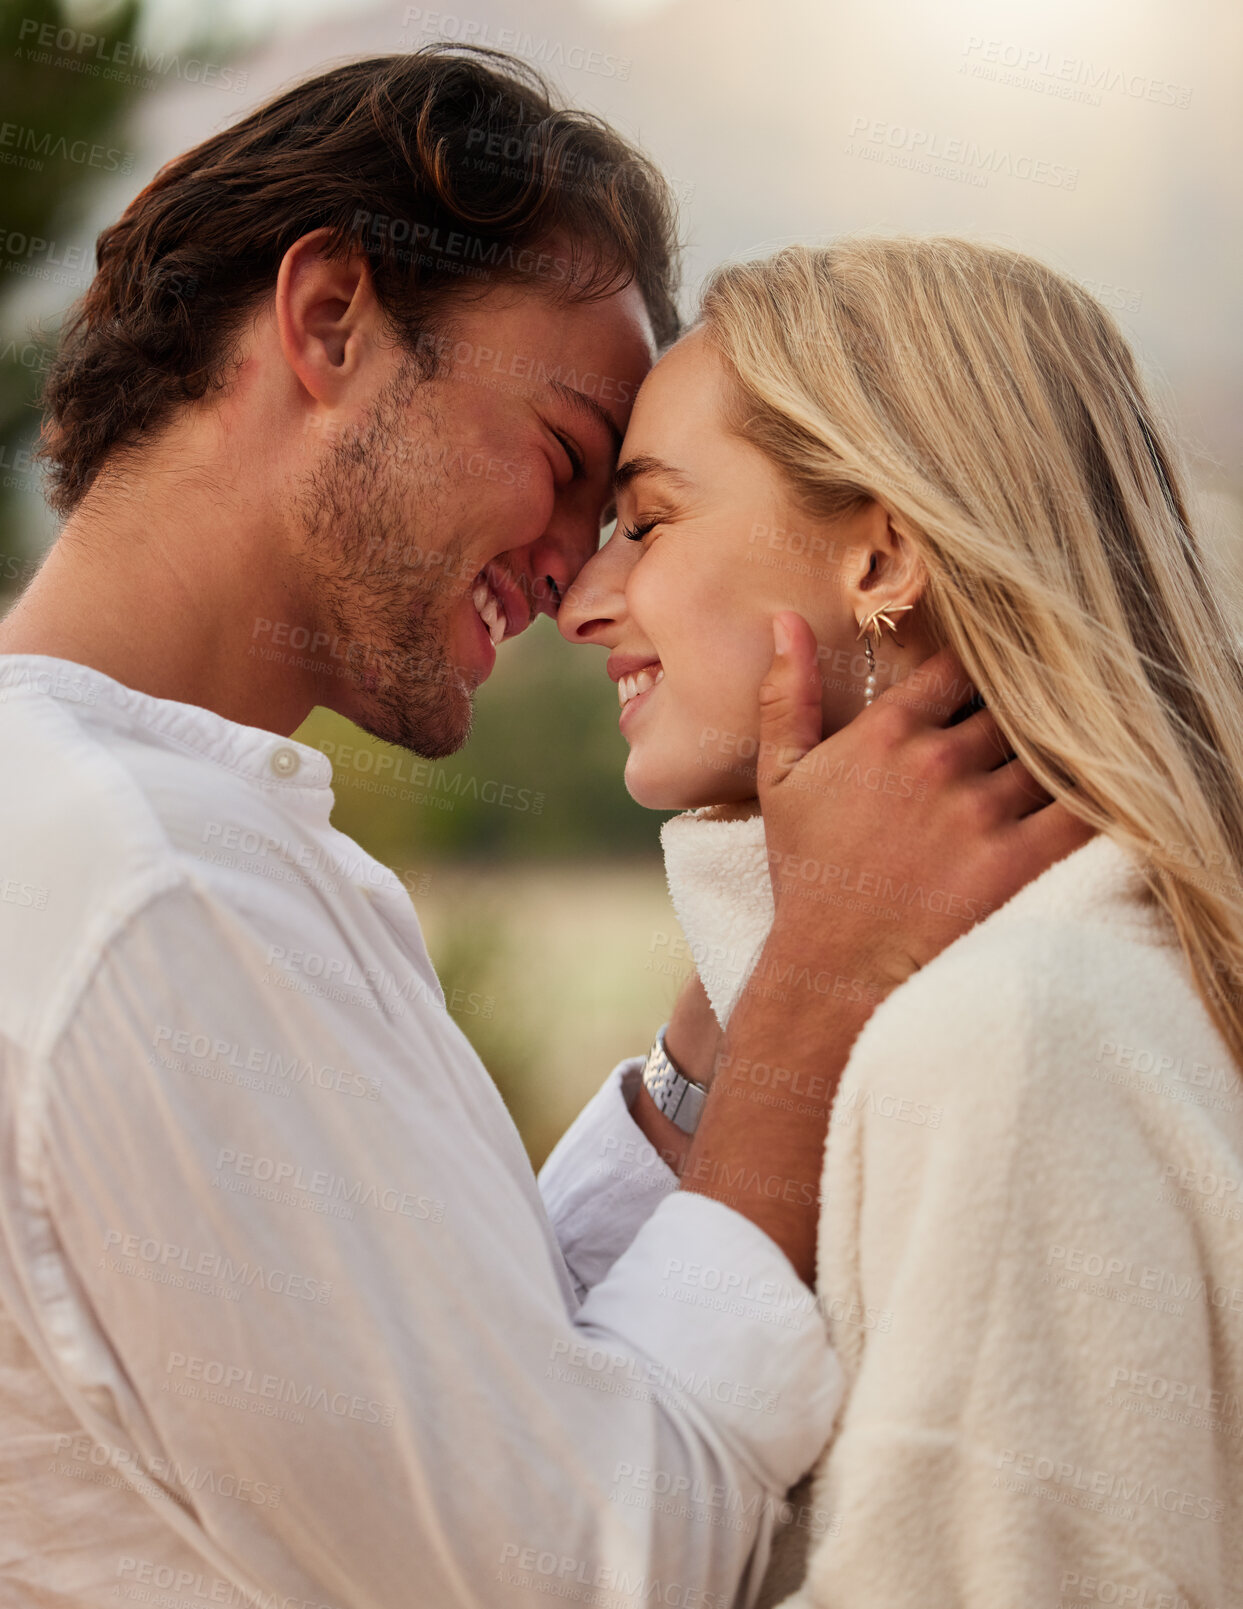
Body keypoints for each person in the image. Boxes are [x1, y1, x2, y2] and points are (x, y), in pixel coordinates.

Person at [0, 51, 1088, 1609]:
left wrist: (721, 1038)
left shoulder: (142, 834)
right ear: (330, 323)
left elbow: (499, 1378)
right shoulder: (144, 885)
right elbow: (575, 1564)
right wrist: (824, 986)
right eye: (576, 462)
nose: (585, 581)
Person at [558, 233, 1243, 1607]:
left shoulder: (1006, 1034)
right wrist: (774, 975)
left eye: (646, 517)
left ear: (878, 553)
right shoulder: (1043, 986)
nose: (585, 600)